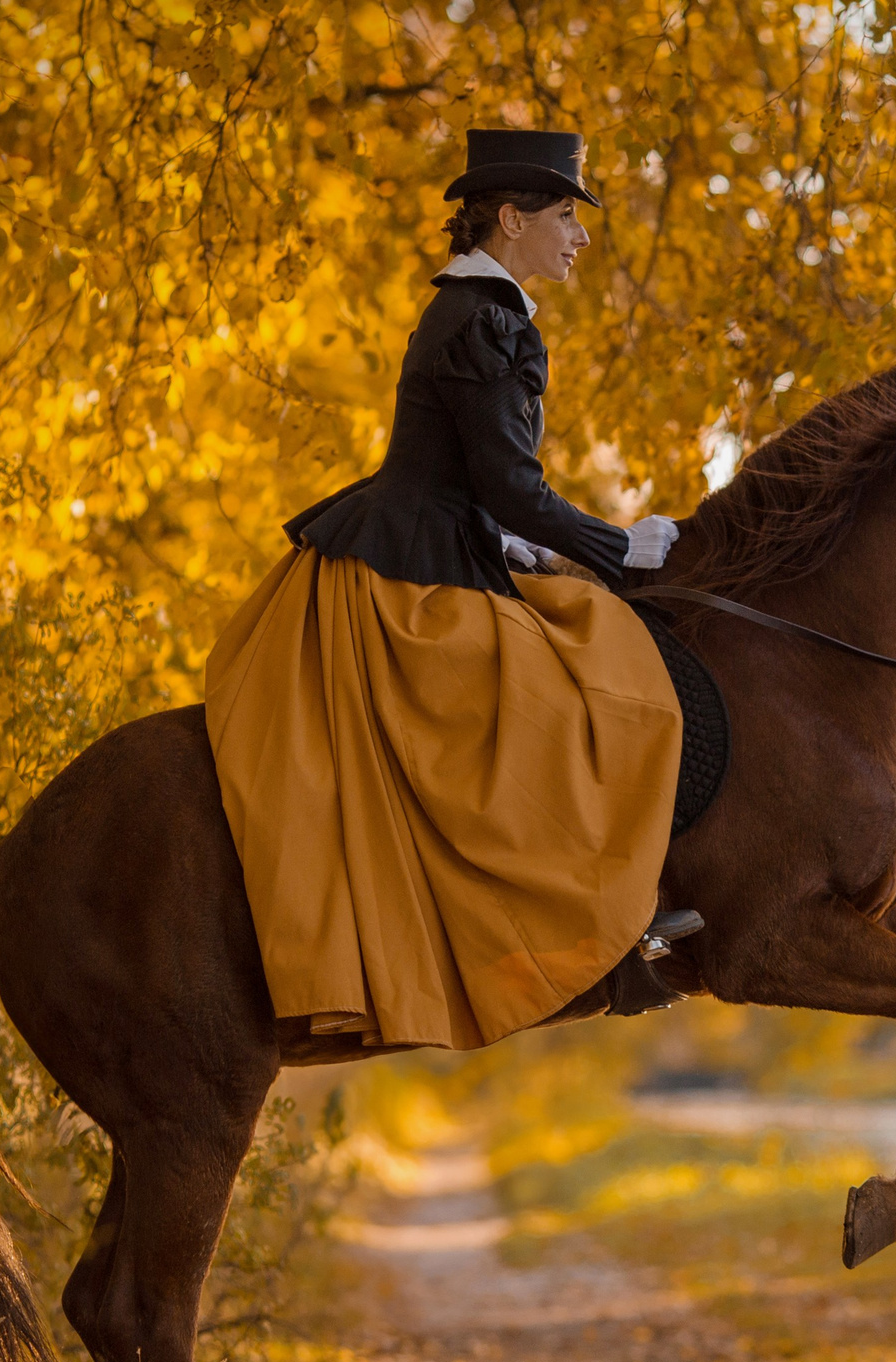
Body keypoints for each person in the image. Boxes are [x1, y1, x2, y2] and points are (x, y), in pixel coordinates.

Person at [204, 129, 700, 1051]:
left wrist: (544, 552)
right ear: (510, 220)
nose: (580, 237)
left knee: (581, 651)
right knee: (577, 701)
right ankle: (591, 934)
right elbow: (510, 485)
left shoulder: (480, 310)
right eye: (564, 217)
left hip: (435, 545)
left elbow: (484, 487)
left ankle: (609, 925)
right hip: (411, 579)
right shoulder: (482, 317)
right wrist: (618, 546)